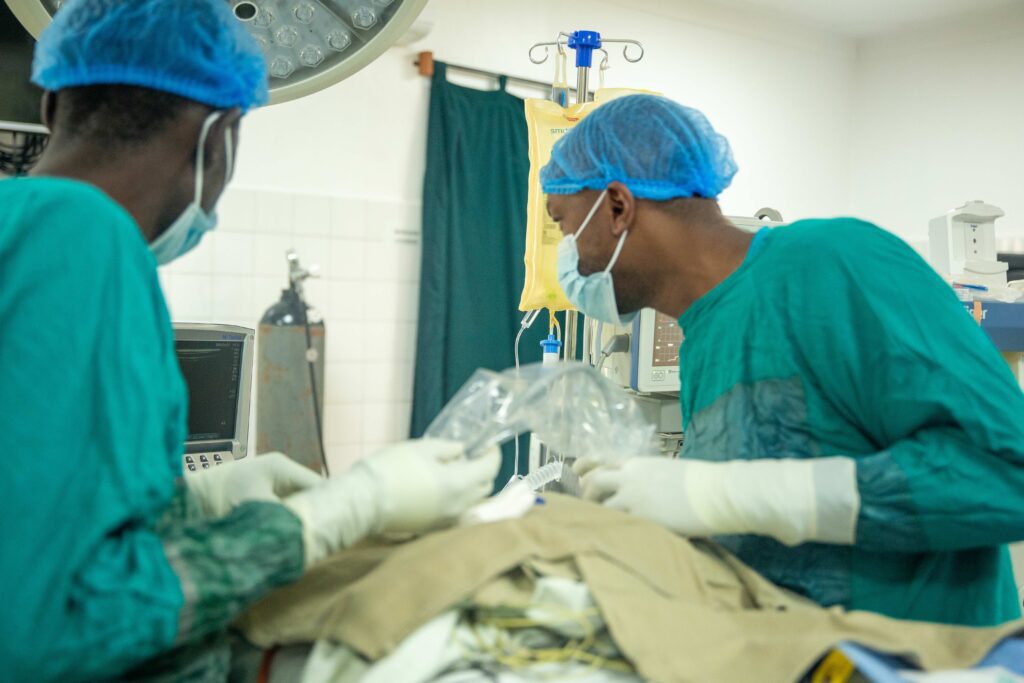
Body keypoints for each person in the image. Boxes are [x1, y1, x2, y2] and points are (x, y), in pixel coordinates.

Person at [0, 0, 498, 680]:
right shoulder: (85, 234)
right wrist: (332, 516)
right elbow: (50, 622)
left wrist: (196, 500)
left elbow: (36, 516)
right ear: (219, 138)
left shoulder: (17, 221)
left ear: (53, 105)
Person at [543, 94, 1024, 627]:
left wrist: (727, 495)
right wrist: (661, 500)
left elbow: (1007, 470)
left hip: (930, 656)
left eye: (563, 227)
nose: (568, 259)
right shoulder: (705, 337)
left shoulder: (832, 262)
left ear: (617, 206)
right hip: (805, 651)